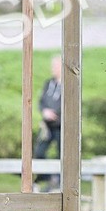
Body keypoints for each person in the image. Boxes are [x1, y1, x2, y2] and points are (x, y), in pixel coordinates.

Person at [34, 55, 62, 191]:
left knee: (61, 154)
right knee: (39, 152)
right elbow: (42, 101)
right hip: (47, 126)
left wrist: (56, 115)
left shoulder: (68, 84)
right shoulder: (49, 83)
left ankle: (59, 181)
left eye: (55, 66)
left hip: (61, 126)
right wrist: (45, 111)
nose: (53, 69)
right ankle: (46, 177)